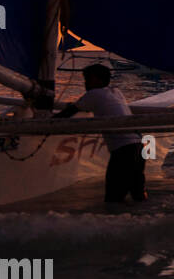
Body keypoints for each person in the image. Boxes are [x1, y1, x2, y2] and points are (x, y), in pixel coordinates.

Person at [55, 63, 146, 204]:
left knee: (113, 200)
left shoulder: (94, 94)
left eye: (87, 79)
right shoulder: (116, 92)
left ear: (98, 80)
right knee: (138, 196)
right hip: (139, 148)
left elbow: (69, 112)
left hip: (123, 152)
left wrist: (46, 123)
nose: (85, 83)